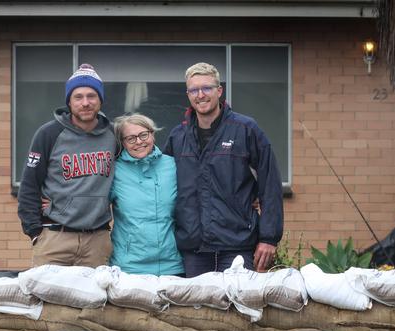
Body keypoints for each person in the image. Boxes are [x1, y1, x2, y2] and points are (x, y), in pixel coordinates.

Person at [164, 62, 284, 277]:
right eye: (194, 90)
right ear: (188, 94)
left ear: (219, 91)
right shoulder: (178, 137)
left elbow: (270, 184)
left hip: (237, 246)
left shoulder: (246, 129)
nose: (200, 95)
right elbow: (162, 184)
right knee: (195, 310)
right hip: (194, 248)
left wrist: (268, 237)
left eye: (207, 88)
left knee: (237, 306)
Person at [17, 64, 117, 268]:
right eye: (78, 97)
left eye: (92, 96)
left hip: (97, 240)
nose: (86, 103)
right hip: (55, 237)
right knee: (47, 299)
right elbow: (29, 185)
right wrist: (34, 232)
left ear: (100, 100)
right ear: (69, 102)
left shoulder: (113, 135)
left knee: (94, 299)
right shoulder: (48, 134)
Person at [109, 114, 184, 276]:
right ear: (122, 142)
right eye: (130, 138)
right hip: (129, 266)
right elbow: (92, 199)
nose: (138, 141)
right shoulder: (114, 171)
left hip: (173, 264)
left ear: (153, 134)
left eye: (143, 135)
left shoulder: (173, 165)